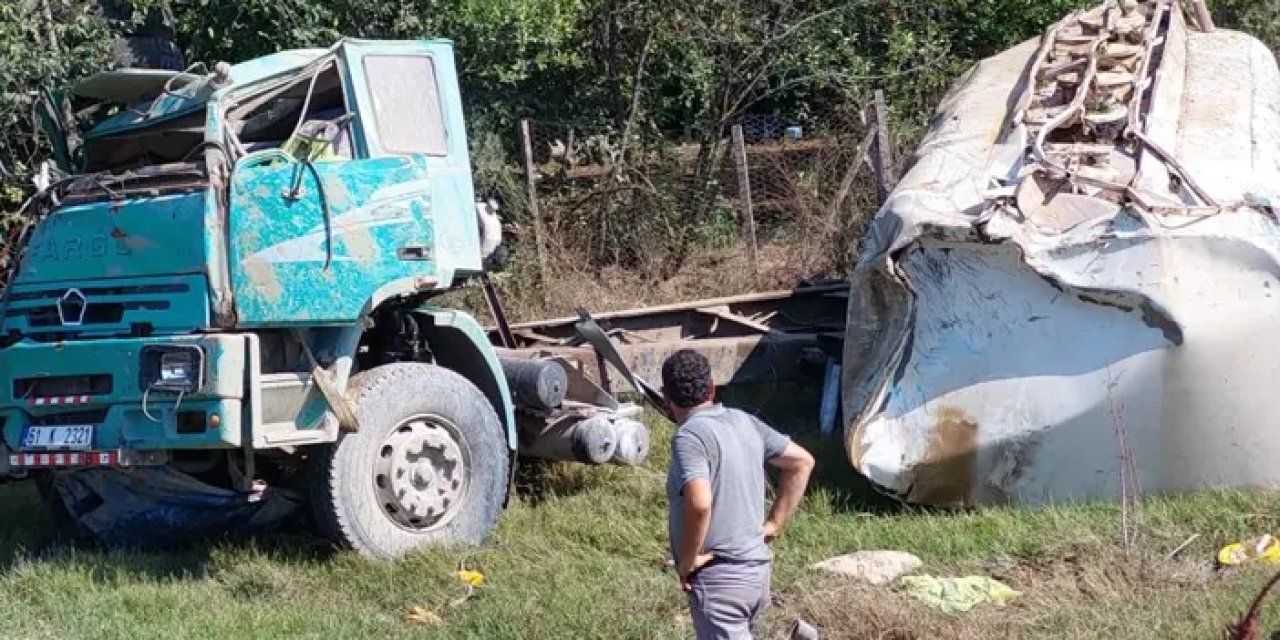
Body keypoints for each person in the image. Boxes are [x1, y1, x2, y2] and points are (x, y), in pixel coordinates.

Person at [662, 349, 815, 639]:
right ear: (711, 388)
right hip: (757, 572)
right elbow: (802, 462)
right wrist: (772, 525)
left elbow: (700, 503)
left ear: (665, 397)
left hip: (722, 581)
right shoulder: (745, 421)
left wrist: (687, 560)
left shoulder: (690, 437)